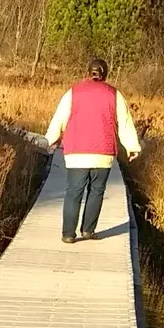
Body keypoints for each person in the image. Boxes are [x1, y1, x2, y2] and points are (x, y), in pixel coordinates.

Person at [38, 57, 143, 243]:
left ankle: (68, 234)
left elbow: (59, 118)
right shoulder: (114, 94)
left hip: (76, 152)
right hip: (103, 153)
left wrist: (50, 140)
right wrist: (132, 147)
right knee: (96, 191)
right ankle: (88, 230)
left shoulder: (73, 92)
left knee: (73, 192)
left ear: (88, 71)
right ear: (105, 73)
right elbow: (125, 122)